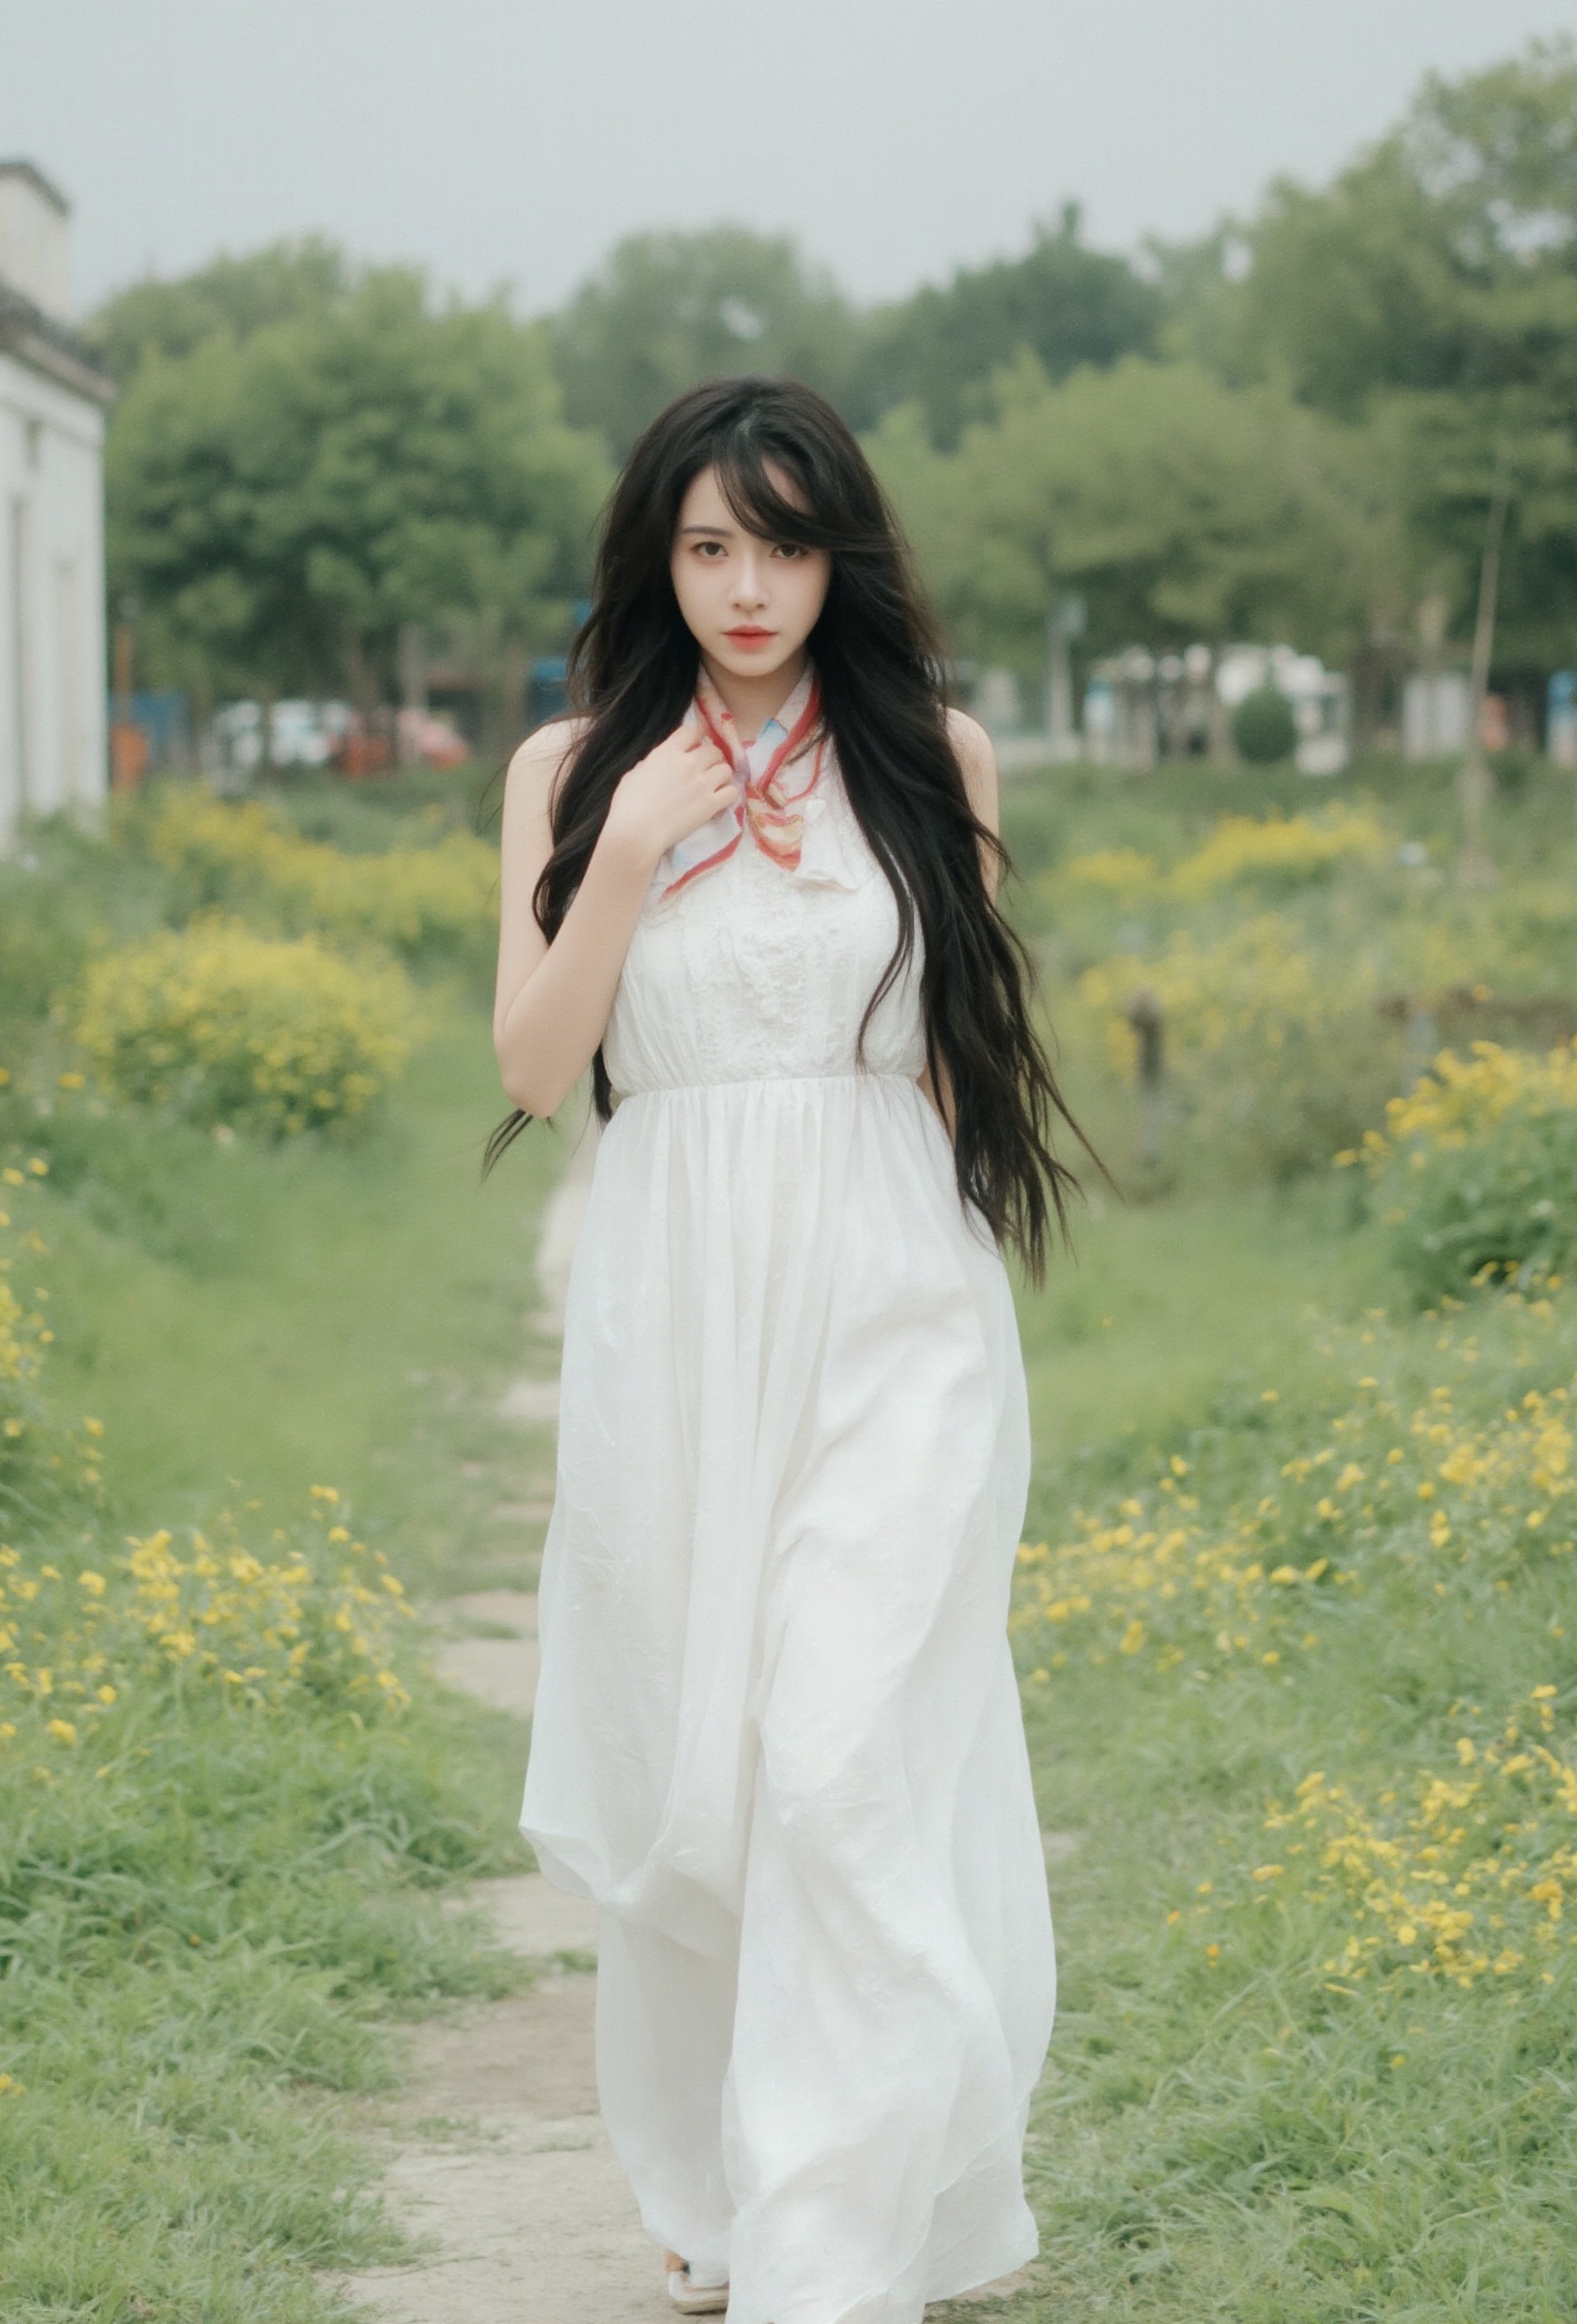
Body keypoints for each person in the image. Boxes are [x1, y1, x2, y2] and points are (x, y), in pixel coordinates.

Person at [489, 376, 1088, 2324]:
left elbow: (949, 1069)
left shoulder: (938, 759)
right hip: (677, 1313)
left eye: (791, 543)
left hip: (890, 1304)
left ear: (847, 554)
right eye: (713, 546)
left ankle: (834, 2258)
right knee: (708, 1782)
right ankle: (729, 2191)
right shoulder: (574, 766)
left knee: (842, 1756)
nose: (753, 587)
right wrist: (634, 848)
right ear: (660, 559)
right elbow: (531, 1061)